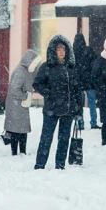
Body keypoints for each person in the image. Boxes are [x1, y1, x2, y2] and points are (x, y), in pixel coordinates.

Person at [33, 35, 82, 170]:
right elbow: (37, 84)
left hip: (68, 109)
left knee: (64, 139)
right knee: (46, 138)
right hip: (52, 109)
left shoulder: (71, 68)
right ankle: (40, 165)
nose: (61, 52)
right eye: (59, 49)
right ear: (54, 51)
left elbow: (77, 89)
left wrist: (78, 109)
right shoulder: (47, 67)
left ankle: (60, 165)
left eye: (63, 49)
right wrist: (49, 94)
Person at [4, 49, 42, 156]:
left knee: (22, 128)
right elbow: (14, 89)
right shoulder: (21, 71)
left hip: (19, 104)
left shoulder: (25, 70)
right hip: (16, 104)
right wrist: (25, 96)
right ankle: (16, 153)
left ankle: (22, 152)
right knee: (16, 129)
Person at [73, 33, 100, 129]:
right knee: (92, 103)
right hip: (89, 80)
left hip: (78, 81)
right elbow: (95, 63)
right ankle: (93, 123)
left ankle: (80, 123)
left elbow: (71, 66)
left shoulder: (73, 52)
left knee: (79, 103)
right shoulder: (89, 50)